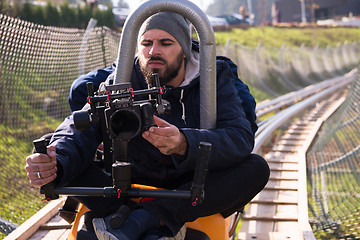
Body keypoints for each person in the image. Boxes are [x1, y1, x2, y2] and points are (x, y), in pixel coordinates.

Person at [25, 12, 269, 240]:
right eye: (146, 43)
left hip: (189, 183)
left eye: (165, 43)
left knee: (256, 168)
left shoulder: (213, 77)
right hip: (129, 181)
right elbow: (80, 128)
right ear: (137, 47)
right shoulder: (122, 77)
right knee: (54, 152)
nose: (154, 51)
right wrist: (53, 161)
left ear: (184, 50)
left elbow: (239, 137)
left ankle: (139, 220)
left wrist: (184, 143)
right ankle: (139, 221)